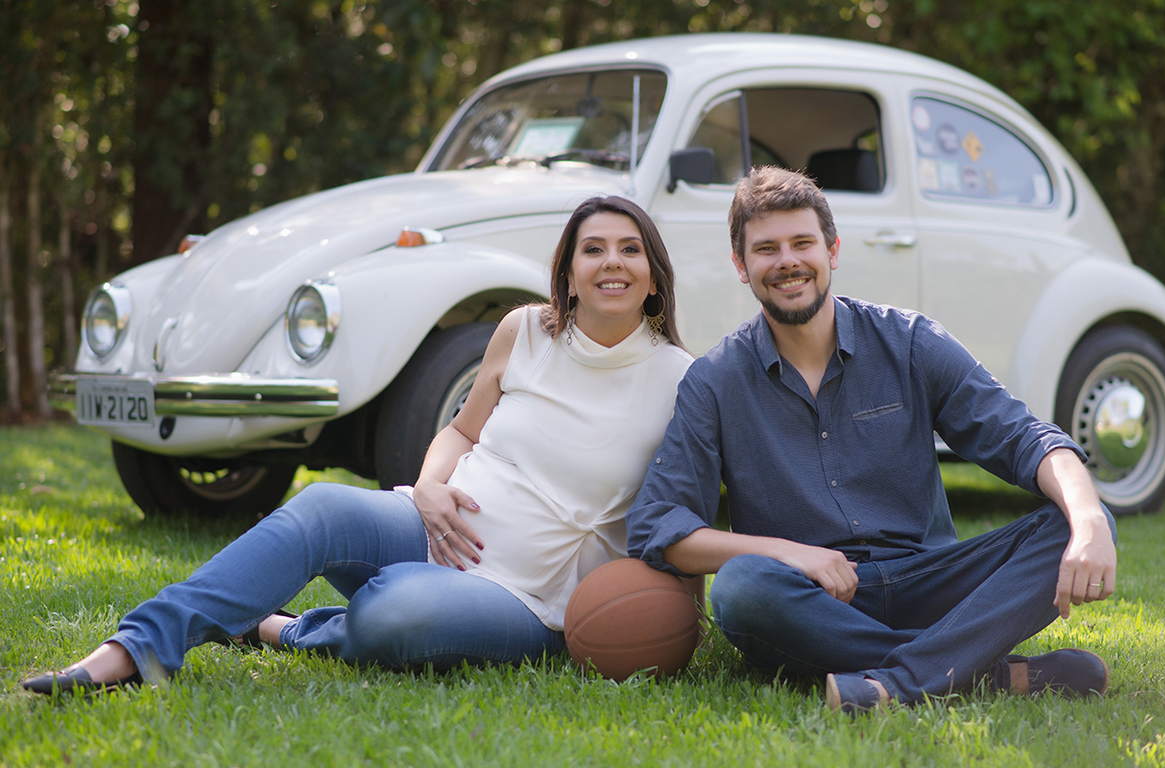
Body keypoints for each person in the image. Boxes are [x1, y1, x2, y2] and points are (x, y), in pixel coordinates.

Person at [23, 196, 693, 696]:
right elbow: (461, 431)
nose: (613, 262)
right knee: (320, 509)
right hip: (436, 525)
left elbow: (685, 515)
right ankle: (134, 650)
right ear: (569, 274)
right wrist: (430, 487)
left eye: (630, 249)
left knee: (395, 610)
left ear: (655, 277)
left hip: (529, 596)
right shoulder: (523, 331)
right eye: (594, 248)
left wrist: (673, 612)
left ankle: (280, 626)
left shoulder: (681, 380)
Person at [626, 166, 1118, 715]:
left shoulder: (909, 343)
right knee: (741, 588)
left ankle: (903, 681)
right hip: (815, 602)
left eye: (802, 242)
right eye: (766, 248)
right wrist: (791, 554)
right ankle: (983, 672)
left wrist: (1090, 523)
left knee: (1074, 517)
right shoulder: (716, 380)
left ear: (832, 250)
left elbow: (1024, 438)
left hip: (933, 587)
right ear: (741, 266)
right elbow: (659, 526)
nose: (787, 261)